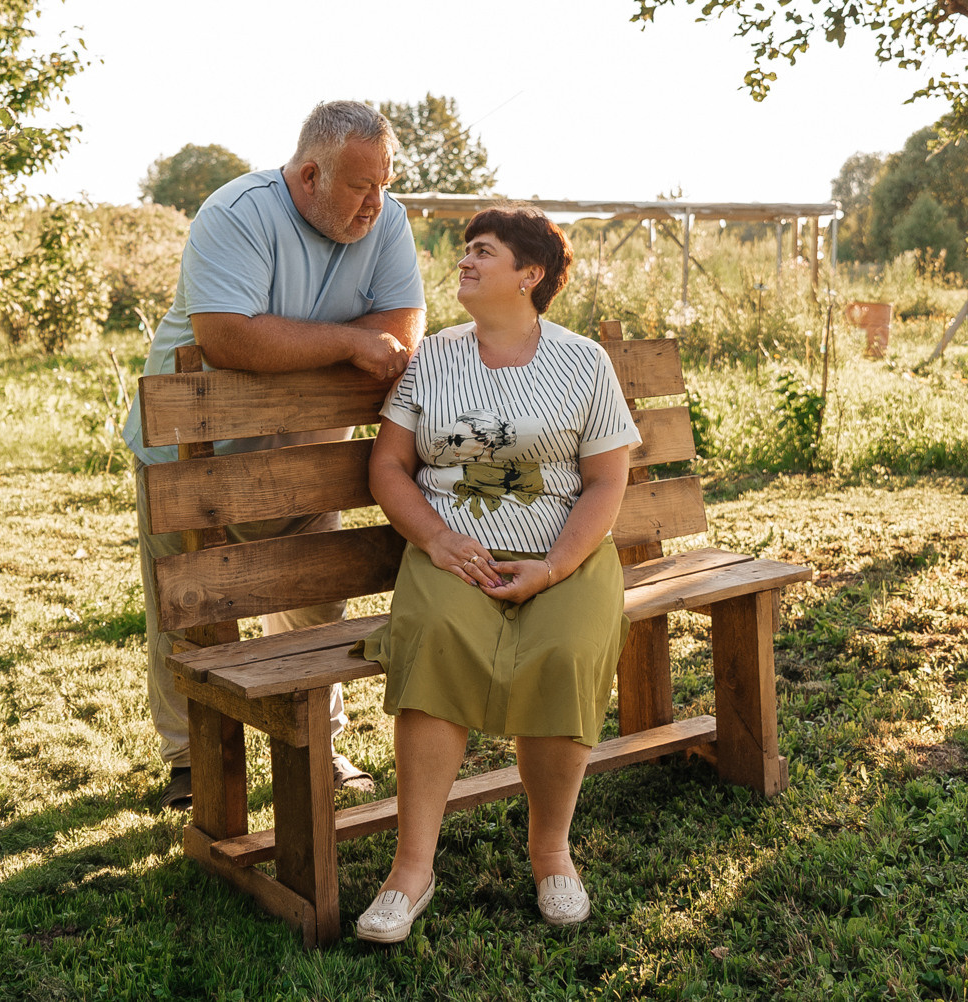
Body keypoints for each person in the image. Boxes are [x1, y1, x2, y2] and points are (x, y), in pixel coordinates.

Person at [123, 100, 427, 810]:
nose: (376, 204)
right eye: (360, 187)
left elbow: (401, 329)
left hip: (309, 453)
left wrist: (333, 343)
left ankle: (320, 740)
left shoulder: (388, 220)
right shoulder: (236, 213)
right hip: (189, 450)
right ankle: (191, 762)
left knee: (314, 600)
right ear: (310, 174)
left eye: (385, 183)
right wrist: (348, 343)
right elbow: (229, 337)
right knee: (188, 604)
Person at [348, 207, 640, 943]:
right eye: (465, 250)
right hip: (453, 555)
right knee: (438, 637)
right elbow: (388, 465)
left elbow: (606, 482)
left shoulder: (581, 363)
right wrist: (439, 540)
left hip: (564, 558)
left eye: (483, 252)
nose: (464, 262)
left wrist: (553, 566)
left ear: (529, 275)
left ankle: (551, 855)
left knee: (567, 651)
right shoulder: (434, 358)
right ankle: (410, 872)